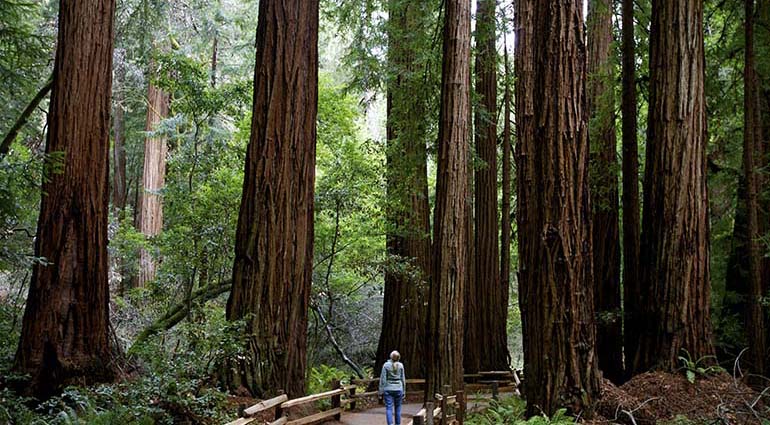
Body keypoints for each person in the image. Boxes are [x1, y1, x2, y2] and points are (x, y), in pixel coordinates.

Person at [378, 350, 406, 425]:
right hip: (399, 388)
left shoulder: (386, 365)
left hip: (388, 389)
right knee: (398, 409)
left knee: (389, 408)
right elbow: (403, 379)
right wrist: (404, 391)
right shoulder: (401, 365)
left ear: (391, 356)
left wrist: (380, 392)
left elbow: (383, 379)